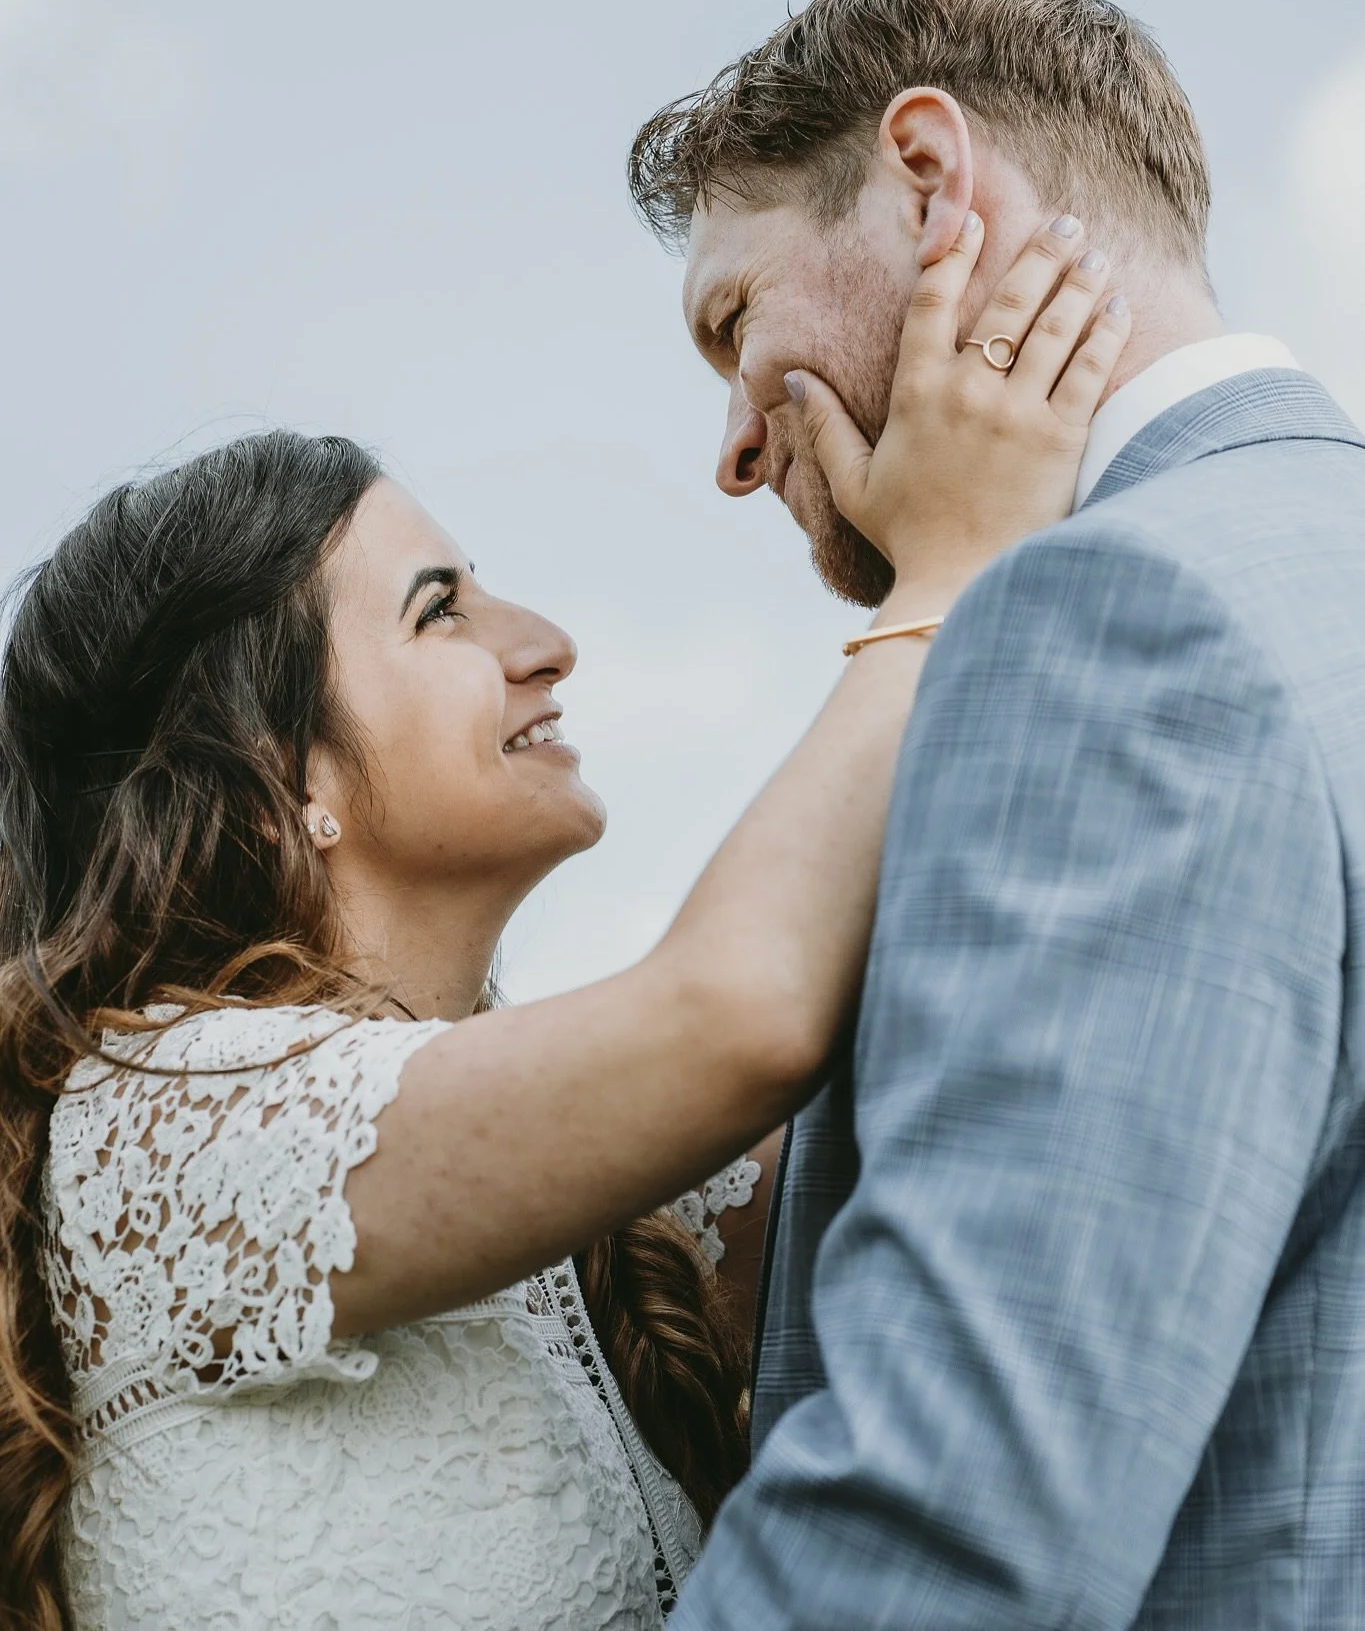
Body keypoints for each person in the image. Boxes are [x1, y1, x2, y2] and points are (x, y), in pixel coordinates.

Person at [0, 218, 1124, 1629]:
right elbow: (743, 1013)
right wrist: (951, 571)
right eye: (439, 612)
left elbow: (958, 1098)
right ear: (283, 781)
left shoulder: (595, 1191)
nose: (541, 638)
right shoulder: (154, 1135)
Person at [629, 0, 1365, 1630]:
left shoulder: (1115, 632)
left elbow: (944, 1535)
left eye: (732, 324)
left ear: (926, 180)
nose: (736, 443)